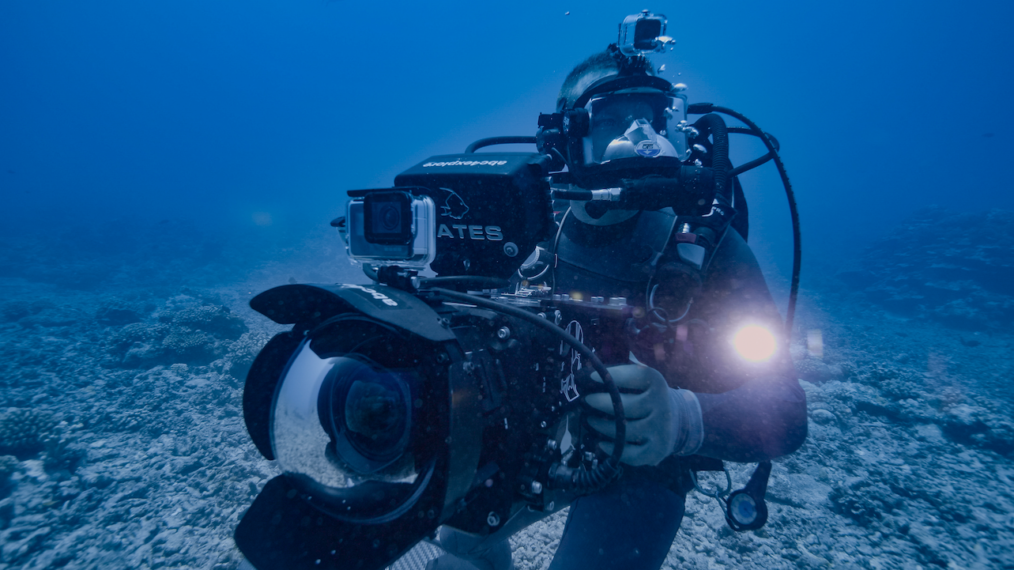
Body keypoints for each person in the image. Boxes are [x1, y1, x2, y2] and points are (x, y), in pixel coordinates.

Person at [427, 47, 808, 570]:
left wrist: (682, 419)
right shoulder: (514, 225)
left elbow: (786, 412)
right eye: (610, 119)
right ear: (562, 138)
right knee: (461, 548)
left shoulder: (702, 244)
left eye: (649, 119)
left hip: (642, 460)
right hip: (522, 433)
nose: (636, 138)